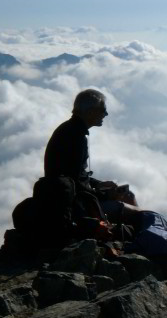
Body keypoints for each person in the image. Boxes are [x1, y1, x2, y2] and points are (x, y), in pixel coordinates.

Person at [44, 88, 140, 225]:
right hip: (77, 205)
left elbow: (75, 174)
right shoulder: (76, 137)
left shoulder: (69, 130)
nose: (106, 114)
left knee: (128, 196)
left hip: (71, 197)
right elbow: (75, 185)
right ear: (90, 112)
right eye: (102, 110)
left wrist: (98, 184)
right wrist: (106, 195)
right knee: (140, 215)